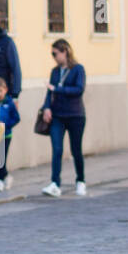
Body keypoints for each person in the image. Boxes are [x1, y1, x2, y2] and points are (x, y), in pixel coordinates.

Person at [38, 39, 87, 198]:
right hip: (57, 116)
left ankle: (80, 181)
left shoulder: (78, 69)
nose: (53, 57)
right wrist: (46, 107)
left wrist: (57, 88)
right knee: (57, 149)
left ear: (64, 51)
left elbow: (79, 90)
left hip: (75, 115)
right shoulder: (54, 71)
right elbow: (49, 93)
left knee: (76, 149)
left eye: (55, 53)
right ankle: (55, 183)